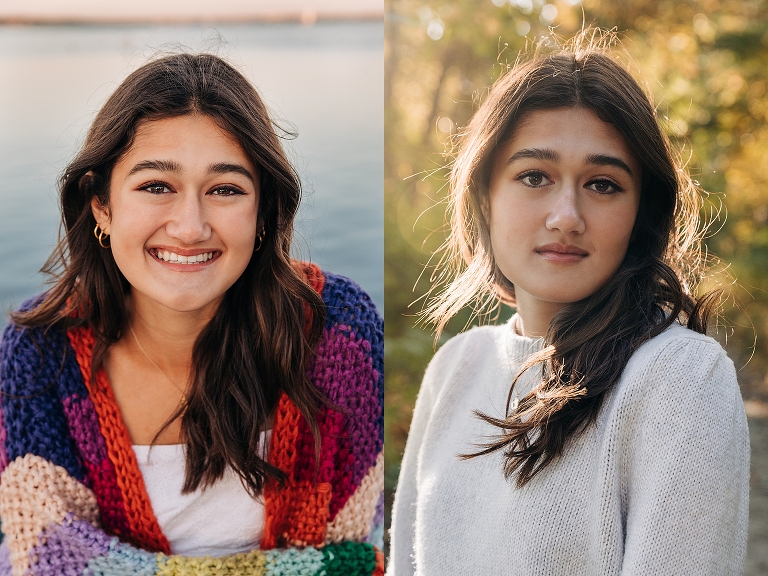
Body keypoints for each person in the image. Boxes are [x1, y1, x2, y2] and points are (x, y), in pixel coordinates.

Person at [0, 53, 383, 575]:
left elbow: (358, 556)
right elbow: (43, 556)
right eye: (156, 186)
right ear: (102, 206)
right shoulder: (38, 353)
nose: (190, 227)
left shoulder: (336, 330)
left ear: (263, 213)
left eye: (225, 190)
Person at [388, 33, 749, 575]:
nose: (566, 215)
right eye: (534, 177)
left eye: (602, 184)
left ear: (639, 211)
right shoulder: (455, 368)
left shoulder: (682, 378)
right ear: (485, 195)